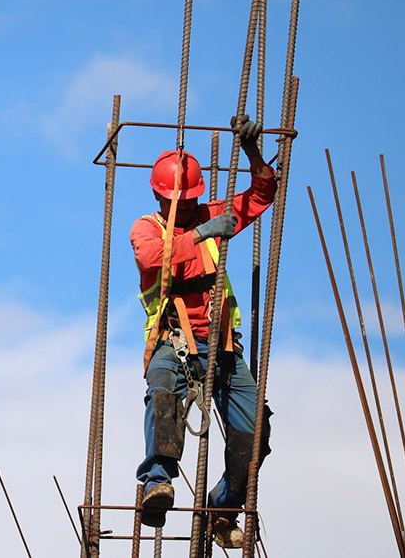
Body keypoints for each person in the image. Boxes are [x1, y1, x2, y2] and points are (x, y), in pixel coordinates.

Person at [130, 115, 274, 549]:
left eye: (193, 199)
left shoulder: (211, 216)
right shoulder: (147, 229)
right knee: (162, 389)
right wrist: (200, 232)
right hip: (173, 341)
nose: (190, 206)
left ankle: (221, 508)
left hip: (223, 347)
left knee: (255, 438)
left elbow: (261, 195)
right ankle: (159, 480)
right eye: (182, 200)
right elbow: (154, 258)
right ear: (160, 194)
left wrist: (253, 155)